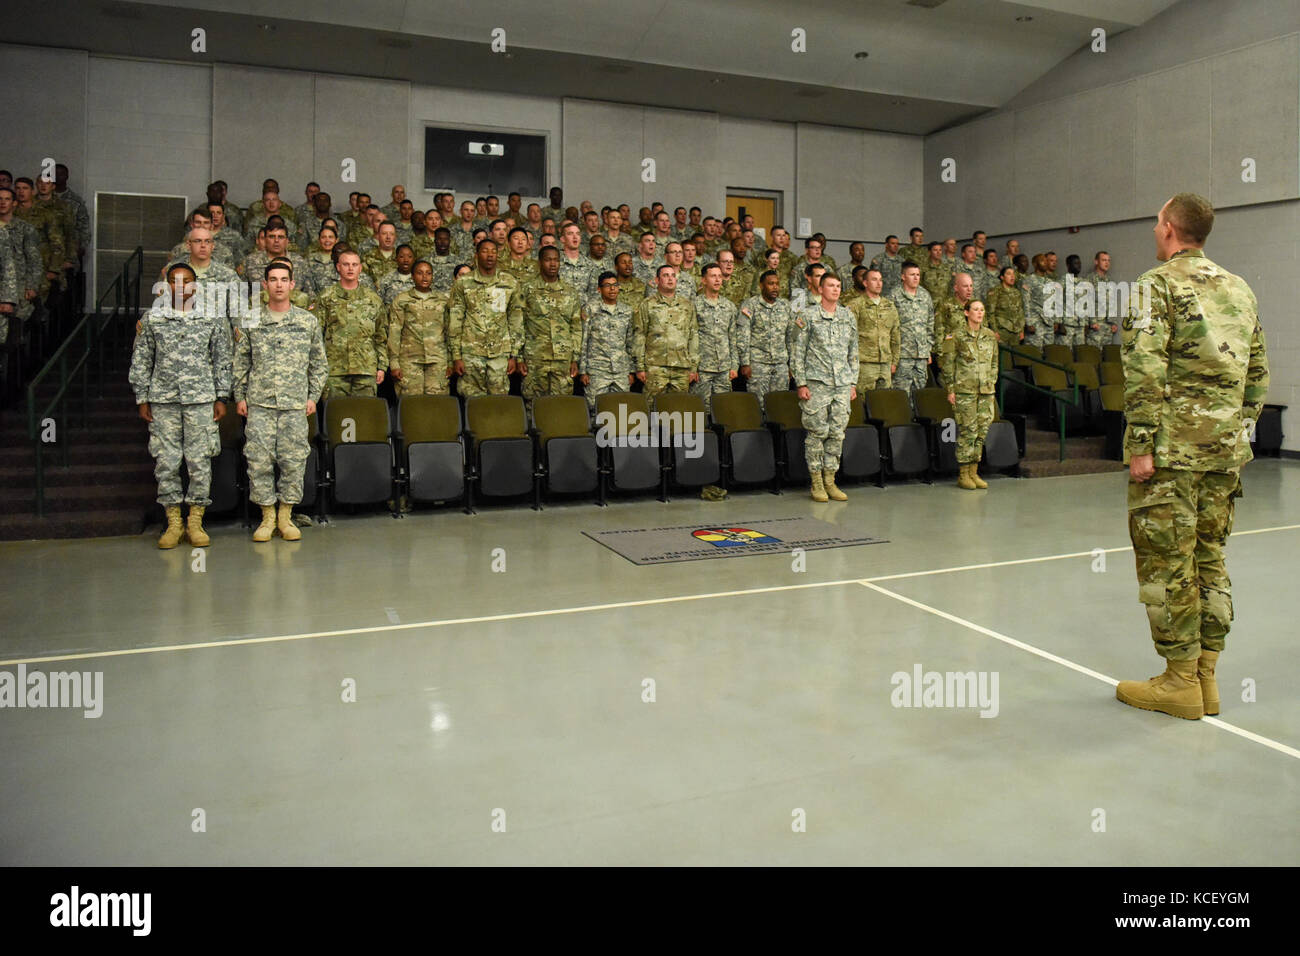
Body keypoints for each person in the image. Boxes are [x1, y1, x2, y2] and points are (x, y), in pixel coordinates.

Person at [1116, 193, 1269, 720]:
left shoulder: (1155, 285)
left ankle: (1180, 681)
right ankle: (1206, 679)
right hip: (1224, 454)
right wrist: (1237, 437)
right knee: (1210, 558)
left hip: (1170, 454)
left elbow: (1144, 368)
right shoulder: (1239, 288)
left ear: (1168, 230)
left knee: (1167, 563)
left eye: (1157, 220)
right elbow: (1257, 374)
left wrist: (1139, 444)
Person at [129, 262, 232, 548]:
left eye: (187, 281)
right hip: (164, 400)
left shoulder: (211, 317)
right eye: (175, 281)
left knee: (199, 460)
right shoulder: (153, 319)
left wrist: (221, 396)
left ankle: (195, 521)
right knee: (166, 461)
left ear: (195, 286)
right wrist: (142, 397)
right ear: (166, 286)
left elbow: (222, 359)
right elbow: (141, 360)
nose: (181, 286)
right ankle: (173, 522)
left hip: (200, 399)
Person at [234, 261, 328, 543]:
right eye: (272, 279)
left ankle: (286, 515)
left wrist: (312, 396)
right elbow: (241, 363)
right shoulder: (251, 319)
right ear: (265, 285)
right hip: (260, 403)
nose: (278, 284)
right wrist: (239, 396)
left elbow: (319, 364)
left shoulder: (307, 321)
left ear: (291, 284)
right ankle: (267, 516)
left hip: (294, 404)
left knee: (293, 460)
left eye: (283, 279)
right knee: (259, 461)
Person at [792, 273, 857, 502]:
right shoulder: (807, 316)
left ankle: (830, 480)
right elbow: (797, 352)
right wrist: (800, 382)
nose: (835, 289)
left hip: (841, 384)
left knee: (837, 434)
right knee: (817, 434)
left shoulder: (847, 316)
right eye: (831, 285)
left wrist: (852, 382)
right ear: (820, 288)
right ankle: (816, 482)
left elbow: (853, 352)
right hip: (816, 385)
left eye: (838, 286)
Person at [449, 239, 524, 398]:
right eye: (485, 251)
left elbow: (515, 319)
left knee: (499, 402)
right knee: (473, 402)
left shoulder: (509, 282)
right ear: (476, 255)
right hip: (471, 353)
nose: (490, 255)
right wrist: (456, 356)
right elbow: (455, 320)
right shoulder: (463, 283)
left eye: (493, 251)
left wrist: (514, 355)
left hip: (500, 353)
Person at [312, 250, 386, 397]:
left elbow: (381, 335)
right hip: (335, 370)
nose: (350, 268)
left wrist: (382, 366)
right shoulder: (326, 297)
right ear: (338, 267)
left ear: (360, 268)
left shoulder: (373, 299)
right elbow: (316, 335)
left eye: (354, 264)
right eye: (346, 264)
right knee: (337, 416)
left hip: (365, 368)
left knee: (364, 415)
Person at [942, 298, 997, 491]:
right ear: (967, 313)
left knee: (982, 431)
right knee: (968, 430)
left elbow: (994, 362)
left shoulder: (989, 336)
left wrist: (992, 381)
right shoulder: (956, 336)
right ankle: (963, 473)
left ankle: (974, 471)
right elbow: (947, 364)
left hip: (986, 390)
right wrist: (951, 389)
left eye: (982, 310)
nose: (980, 313)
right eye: (975, 309)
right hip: (965, 390)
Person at [519, 246, 582, 408]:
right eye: (548, 260)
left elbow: (576, 327)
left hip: (563, 358)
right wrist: (518, 357)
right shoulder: (527, 289)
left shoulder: (570, 292)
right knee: (534, 405)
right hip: (535, 357)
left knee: (561, 405)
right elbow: (519, 323)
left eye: (556, 260)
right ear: (540, 262)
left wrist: (575, 358)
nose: (552, 264)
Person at [387, 260, 452, 396]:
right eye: (420, 273)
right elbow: (394, 332)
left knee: (437, 404)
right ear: (412, 276)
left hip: (437, 359)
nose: (424, 277)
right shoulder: (402, 300)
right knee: (411, 405)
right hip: (409, 360)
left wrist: (451, 361)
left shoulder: (442, 300)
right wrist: (394, 363)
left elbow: (449, 332)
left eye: (428, 273)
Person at [633, 265, 698, 400]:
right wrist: (640, 366)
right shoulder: (647, 304)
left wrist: (693, 367)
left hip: (681, 366)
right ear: (657, 280)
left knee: (678, 409)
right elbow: (640, 335)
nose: (670, 279)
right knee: (652, 408)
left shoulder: (687, 305)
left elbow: (693, 336)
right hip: (655, 366)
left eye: (673, 276)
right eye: (665, 275)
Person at [581, 271, 637, 415]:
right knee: (596, 411)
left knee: (622, 411)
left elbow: (630, 342)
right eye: (607, 285)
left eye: (615, 285)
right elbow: (584, 340)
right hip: (597, 369)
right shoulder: (590, 309)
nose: (612, 289)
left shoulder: (626, 311)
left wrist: (631, 370)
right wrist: (583, 370)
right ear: (599, 289)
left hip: (621, 370)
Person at [692, 263, 740, 414]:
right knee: (700, 411)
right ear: (704, 280)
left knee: (724, 411)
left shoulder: (729, 306)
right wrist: (692, 367)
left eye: (720, 276)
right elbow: (689, 337)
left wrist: (734, 365)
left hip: (724, 368)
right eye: (713, 276)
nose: (718, 280)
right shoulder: (694, 305)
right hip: (703, 367)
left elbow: (732, 337)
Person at [849, 267, 899, 392]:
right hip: (865, 363)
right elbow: (849, 336)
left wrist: (894, 361)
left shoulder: (889, 305)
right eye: (874, 280)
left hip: (885, 363)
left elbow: (895, 334)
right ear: (865, 283)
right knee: (864, 401)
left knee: (884, 403)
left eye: (880, 280)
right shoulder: (856, 305)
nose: (878, 283)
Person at [984, 266, 1025, 344]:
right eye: (1009, 274)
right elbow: (990, 313)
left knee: (1015, 355)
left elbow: (1020, 312)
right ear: (1002, 277)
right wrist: (994, 331)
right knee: (1003, 355)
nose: (1012, 276)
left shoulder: (1017, 292)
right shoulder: (995, 291)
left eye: (1013, 274)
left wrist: (1021, 330)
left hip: (1016, 332)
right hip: (1001, 331)